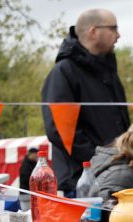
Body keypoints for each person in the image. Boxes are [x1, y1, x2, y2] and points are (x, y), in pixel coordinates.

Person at [41, 8, 130, 196]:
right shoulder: (63, 73)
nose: (119, 35)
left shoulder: (109, 73)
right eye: (113, 28)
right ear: (93, 31)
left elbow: (120, 124)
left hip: (116, 175)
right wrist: (104, 159)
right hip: (80, 182)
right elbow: (60, 131)